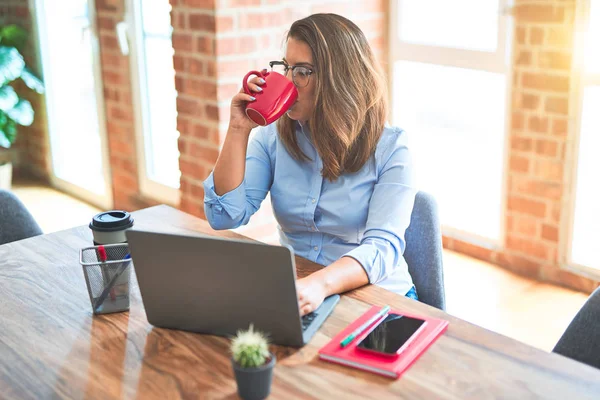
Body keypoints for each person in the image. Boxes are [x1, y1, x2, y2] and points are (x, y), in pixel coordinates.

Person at [203, 13, 418, 316]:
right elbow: (224, 216)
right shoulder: (272, 137)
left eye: (303, 71)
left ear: (340, 77)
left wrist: (320, 284)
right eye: (287, 67)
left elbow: (383, 249)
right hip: (302, 292)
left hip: (378, 299)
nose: (289, 81)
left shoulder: (391, 147)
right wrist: (238, 129)